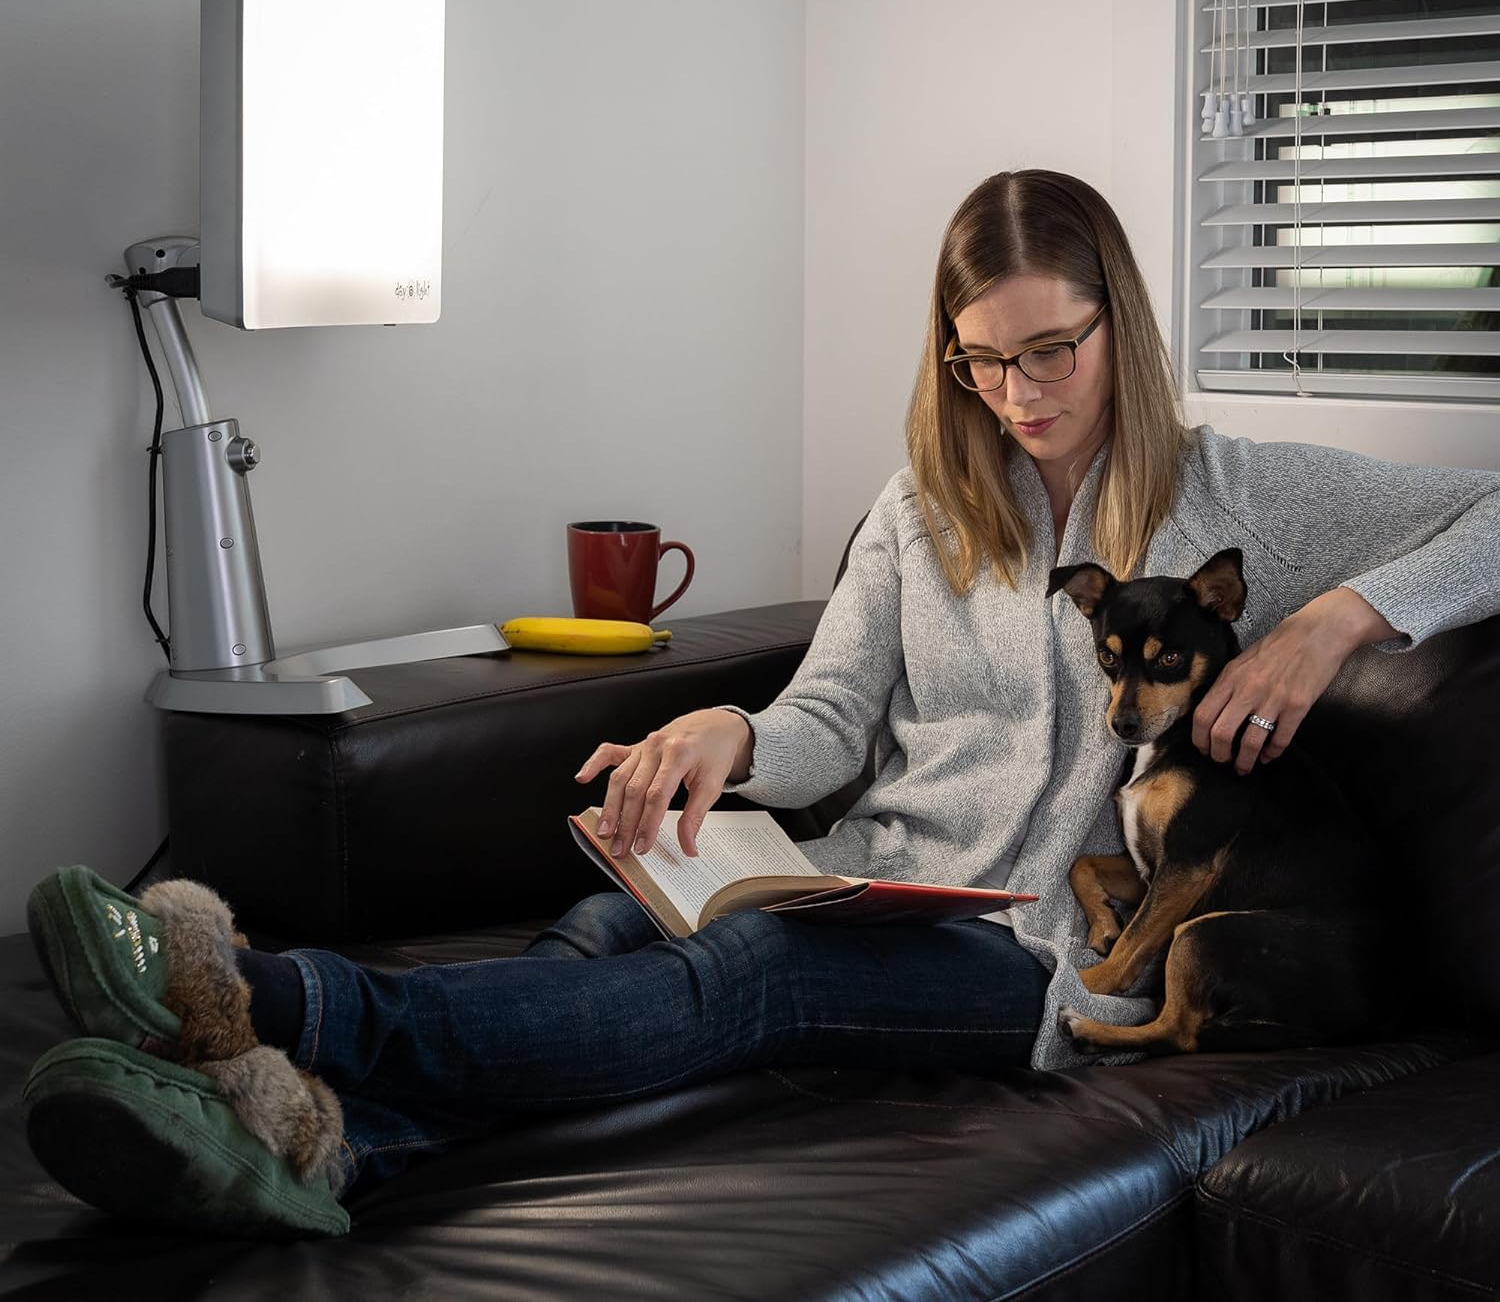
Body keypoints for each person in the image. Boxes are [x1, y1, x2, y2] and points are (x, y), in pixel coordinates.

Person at [22, 170, 1500, 1238]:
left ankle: (248, 995)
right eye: (984, 359)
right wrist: (725, 742)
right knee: (613, 920)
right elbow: (827, 716)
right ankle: (324, 1150)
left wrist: (1335, 621)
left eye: (1054, 349)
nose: (1021, 391)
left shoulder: (1241, 490)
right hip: (865, 877)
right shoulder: (924, 505)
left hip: (1037, 949)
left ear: (1120, 320)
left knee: (745, 987)